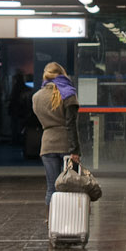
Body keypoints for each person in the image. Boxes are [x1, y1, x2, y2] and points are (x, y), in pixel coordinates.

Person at [33, 62, 80, 205]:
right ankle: (70, 220)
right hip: (66, 145)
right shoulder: (68, 94)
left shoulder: (36, 96)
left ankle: (51, 220)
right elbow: (71, 125)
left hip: (47, 144)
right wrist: (75, 150)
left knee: (51, 188)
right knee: (69, 187)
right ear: (62, 74)